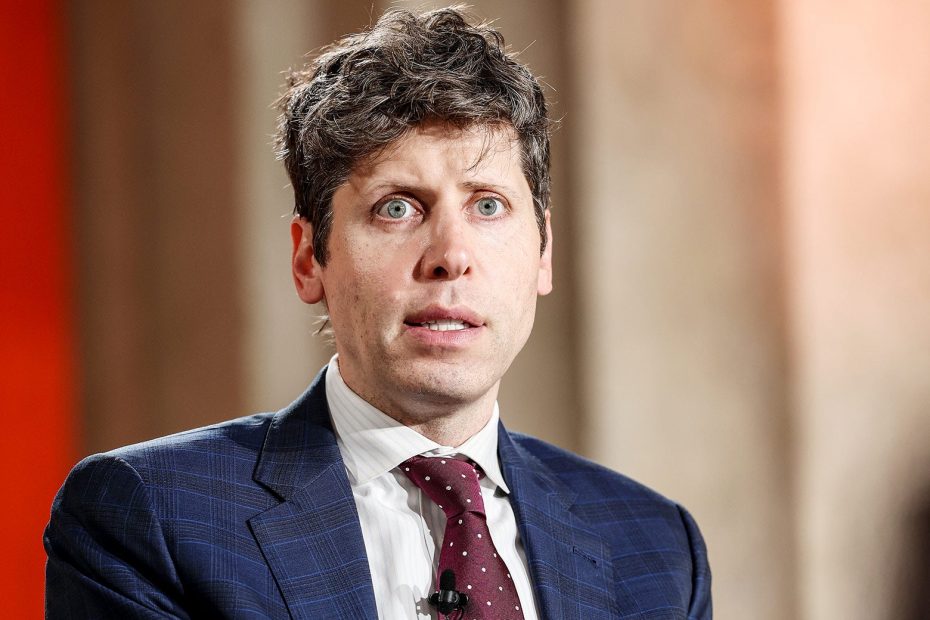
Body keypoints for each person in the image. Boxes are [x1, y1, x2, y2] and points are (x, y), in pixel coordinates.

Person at [44, 7, 711, 619]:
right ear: (309, 259)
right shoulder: (152, 517)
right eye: (397, 208)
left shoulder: (656, 547)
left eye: (487, 206)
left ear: (543, 252)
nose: (451, 257)